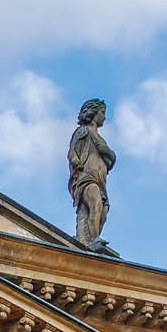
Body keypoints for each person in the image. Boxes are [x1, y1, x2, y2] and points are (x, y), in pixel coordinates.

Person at [68, 99, 114, 247]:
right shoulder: (83, 131)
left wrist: (107, 152)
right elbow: (72, 152)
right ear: (93, 113)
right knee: (96, 203)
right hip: (87, 176)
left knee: (104, 212)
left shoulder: (101, 139)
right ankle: (93, 239)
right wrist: (77, 162)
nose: (104, 117)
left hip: (100, 179)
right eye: (102, 113)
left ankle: (96, 238)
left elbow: (111, 159)